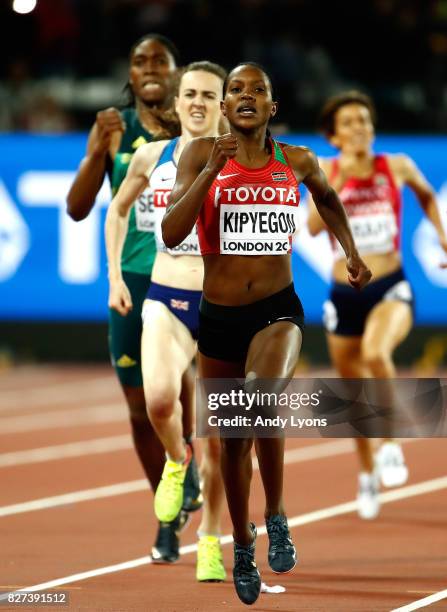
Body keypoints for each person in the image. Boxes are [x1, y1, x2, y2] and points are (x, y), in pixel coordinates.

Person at [162, 62, 371, 605]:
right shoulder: (197, 155)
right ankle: (245, 544)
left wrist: (349, 252)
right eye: (236, 90)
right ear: (226, 107)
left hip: (278, 311)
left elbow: (326, 197)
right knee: (233, 442)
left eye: (258, 90)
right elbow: (171, 230)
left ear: (272, 108)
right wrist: (210, 171)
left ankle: (276, 514)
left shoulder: (296, 161)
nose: (246, 95)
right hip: (218, 318)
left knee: (261, 397)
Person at [66, 34, 201, 563]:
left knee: (182, 385)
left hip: (187, 277)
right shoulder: (114, 127)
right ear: (130, 71)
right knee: (139, 408)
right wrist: (98, 150)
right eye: (139, 61)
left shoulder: (193, 125)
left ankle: (195, 478)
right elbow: (79, 209)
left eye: (159, 61)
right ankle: (166, 511)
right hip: (131, 280)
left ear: (176, 71)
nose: (148, 68)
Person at [105, 61, 228, 582]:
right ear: (176, 103)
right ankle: (177, 460)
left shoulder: (246, 162)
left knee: (224, 435)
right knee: (159, 400)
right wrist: (114, 275)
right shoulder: (152, 155)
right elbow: (117, 210)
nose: (197, 102)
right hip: (166, 295)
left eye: (208, 95)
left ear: (224, 105)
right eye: (190, 94)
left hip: (225, 307)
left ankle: (209, 540)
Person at [307, 91, 447, 519]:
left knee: (376, 353)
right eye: (348, 123)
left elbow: (425, 194)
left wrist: (441, 233)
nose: (359, 129)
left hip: (389, 284)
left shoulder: (397, 165)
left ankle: (389, 446)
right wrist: (341, 184)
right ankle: (367, 474)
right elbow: (312, 228)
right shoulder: (326, 170)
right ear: (334, 135)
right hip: (343, 295)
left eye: (364, 121)